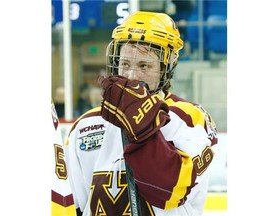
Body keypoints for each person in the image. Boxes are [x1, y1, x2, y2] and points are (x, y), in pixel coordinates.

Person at [65, 11, 218, 215]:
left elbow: (170, 191)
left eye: (144, 65)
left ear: (166, 67)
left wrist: (141, 126)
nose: (131, 75)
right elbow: (73, 205)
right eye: (125, 64)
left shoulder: (188, 118)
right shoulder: (86, 125)